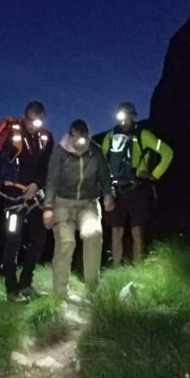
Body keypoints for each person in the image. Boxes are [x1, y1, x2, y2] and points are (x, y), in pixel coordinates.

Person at [0, 101, 53, 301]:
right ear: (24, 117)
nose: (33, 126)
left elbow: (47, 166)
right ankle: (11, 290)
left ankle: (26, 283)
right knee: (13, 239)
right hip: (13, 196)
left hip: (35, 196)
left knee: (40, 238)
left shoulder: (46, 138)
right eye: (30, 121)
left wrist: (36, 184)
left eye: (38, 122)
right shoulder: (12, 133)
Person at [43, 119, 115, 300]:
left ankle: (92, 289)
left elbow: (104, 174)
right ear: (70, 136)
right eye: (75, 138)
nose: (79, 143)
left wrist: (108, 193)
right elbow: (51, 180)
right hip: (63, 203)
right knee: (66, 243)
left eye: (83, 139)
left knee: (93, 234)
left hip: (87, 203)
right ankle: (60, 294)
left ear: (88, 136)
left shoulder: (95, 151)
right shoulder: (60, 152)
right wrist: (48, 207)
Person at [101, 102, 173, 265]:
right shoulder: (111, 136)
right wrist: (107, 189)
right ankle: (116, 269)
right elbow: (102, 162)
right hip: (116, 189)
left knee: (137, 231)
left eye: (126, 117)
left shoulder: (143, 135)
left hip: (138, 188)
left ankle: (138, 268)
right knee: (117, 231)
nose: (123, 121)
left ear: (133, 117)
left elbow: (167, 152)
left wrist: (154, 175)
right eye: (120, 117)